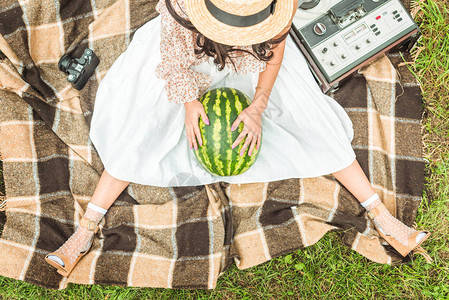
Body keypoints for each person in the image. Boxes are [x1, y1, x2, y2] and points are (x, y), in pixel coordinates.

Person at [44, 0, 430, 277]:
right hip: (189, 65)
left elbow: (275, 56)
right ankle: (85, 229)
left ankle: (382, 216)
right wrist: (191, 102)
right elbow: (176, 63)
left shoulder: (276, 8)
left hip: (250, 68)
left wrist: (259, 105)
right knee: (142, 132)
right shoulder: (184, 12)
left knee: (317, 127)